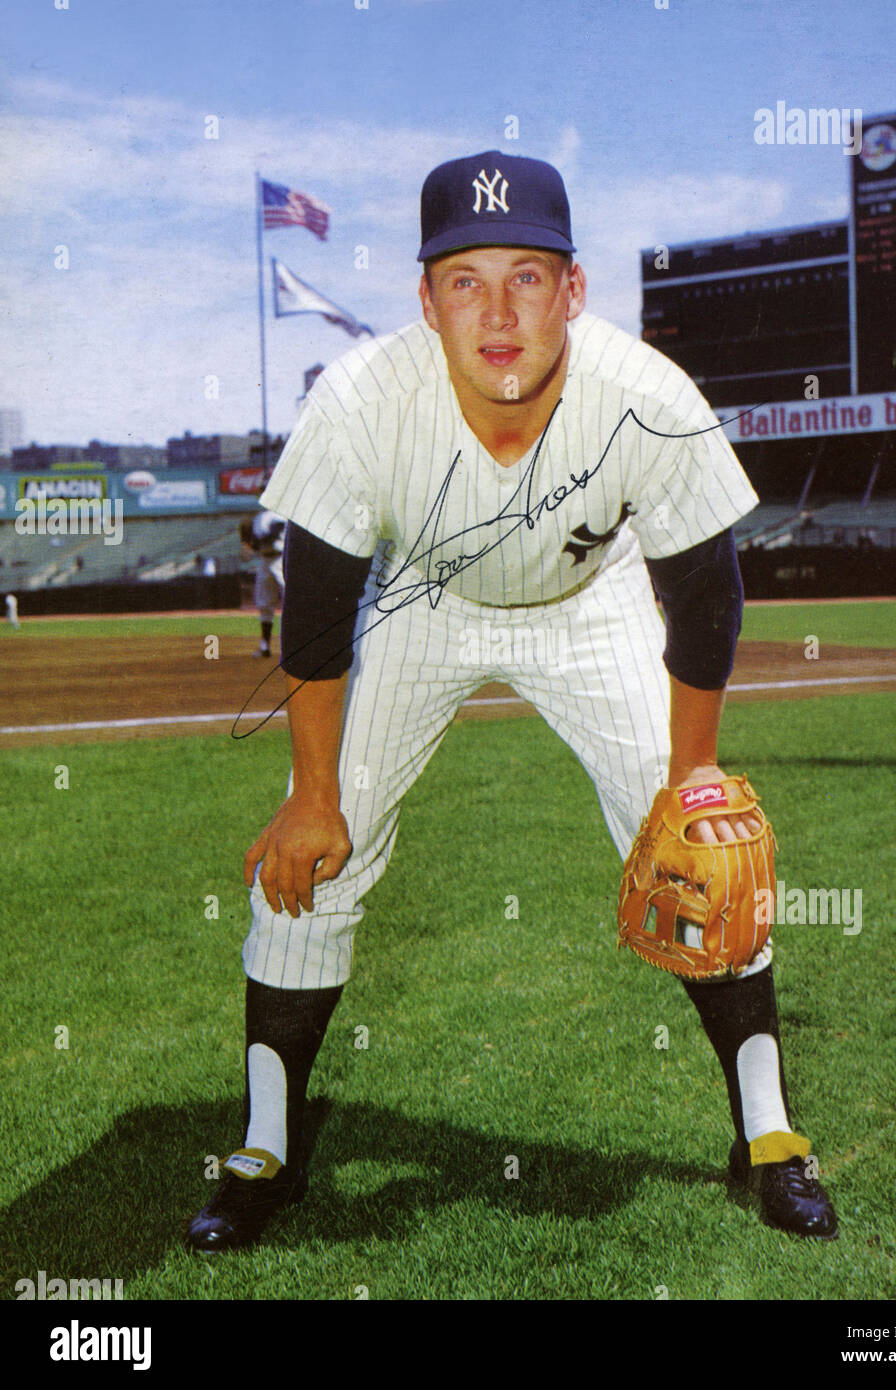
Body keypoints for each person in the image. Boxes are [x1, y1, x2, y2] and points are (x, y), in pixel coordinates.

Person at [187, 150, 837, 1253]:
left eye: (528, 276)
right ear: (426, 297)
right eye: (465, 279)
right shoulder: (359, 401)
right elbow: (317, 610)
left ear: (573, 291)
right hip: (424, 604)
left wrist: (693, 782)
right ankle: (266, 1145)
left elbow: (706, 594)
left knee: (709, 855)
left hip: (594, 604)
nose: (498, 312)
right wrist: (310, 793)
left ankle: (769, 1136)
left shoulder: (644, 396)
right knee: (312, 858)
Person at [239, 511, 286, 656]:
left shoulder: (278, 514)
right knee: (264, 603)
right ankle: (265, 645)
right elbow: (258, 543)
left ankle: (296, 645)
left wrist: (255, 542)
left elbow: (275, 533)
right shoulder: (259, 517)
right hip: (264, 561)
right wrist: (249, 546)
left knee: (291, 601)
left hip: (281, 560)